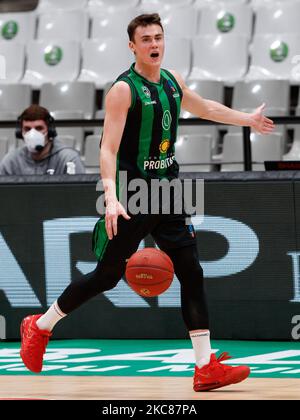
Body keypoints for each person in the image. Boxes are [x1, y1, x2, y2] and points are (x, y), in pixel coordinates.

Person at [19, 14, 274, 391]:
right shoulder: (123, 90)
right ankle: (40, 326)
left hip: (168, 189)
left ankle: (205, 366)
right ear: (132, 46)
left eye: (158, 37)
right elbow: (106, 148)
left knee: (191, 269)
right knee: (106, 277)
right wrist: (109, 198)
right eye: (146, 39)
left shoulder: (172, 80)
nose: (154, 44)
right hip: (132, 194)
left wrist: (247, 119)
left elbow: (203, 107)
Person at [0, 105, 85, 175]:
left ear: (50, 130)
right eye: (27, 129)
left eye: (39, 128)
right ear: (20, 132)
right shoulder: (11, 161)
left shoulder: (68, 159)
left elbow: (80, 193)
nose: (32, 133)